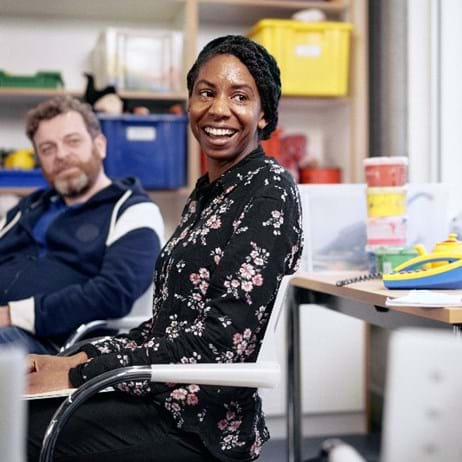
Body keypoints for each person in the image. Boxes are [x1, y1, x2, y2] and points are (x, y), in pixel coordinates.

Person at [26, 35, 304, 462]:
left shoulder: (267, 191)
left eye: (240, 96)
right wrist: (79, 355)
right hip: (161, 398)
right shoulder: (208, 192)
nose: (218, 108)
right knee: (21, 409)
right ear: (190, 105)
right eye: (206, 93)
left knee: (19, 430)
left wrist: (82, 372)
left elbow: (221, 345)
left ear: (264, 114)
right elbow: (167, 326)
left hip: (199, 427)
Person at [0, 96, 164, 354]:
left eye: (72, 141)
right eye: (47, 148)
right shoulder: (30, 207)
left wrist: (13, 314)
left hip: (58, 346)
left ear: (100, 145)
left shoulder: (133, 210)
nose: (62, 155)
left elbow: (113, 293)